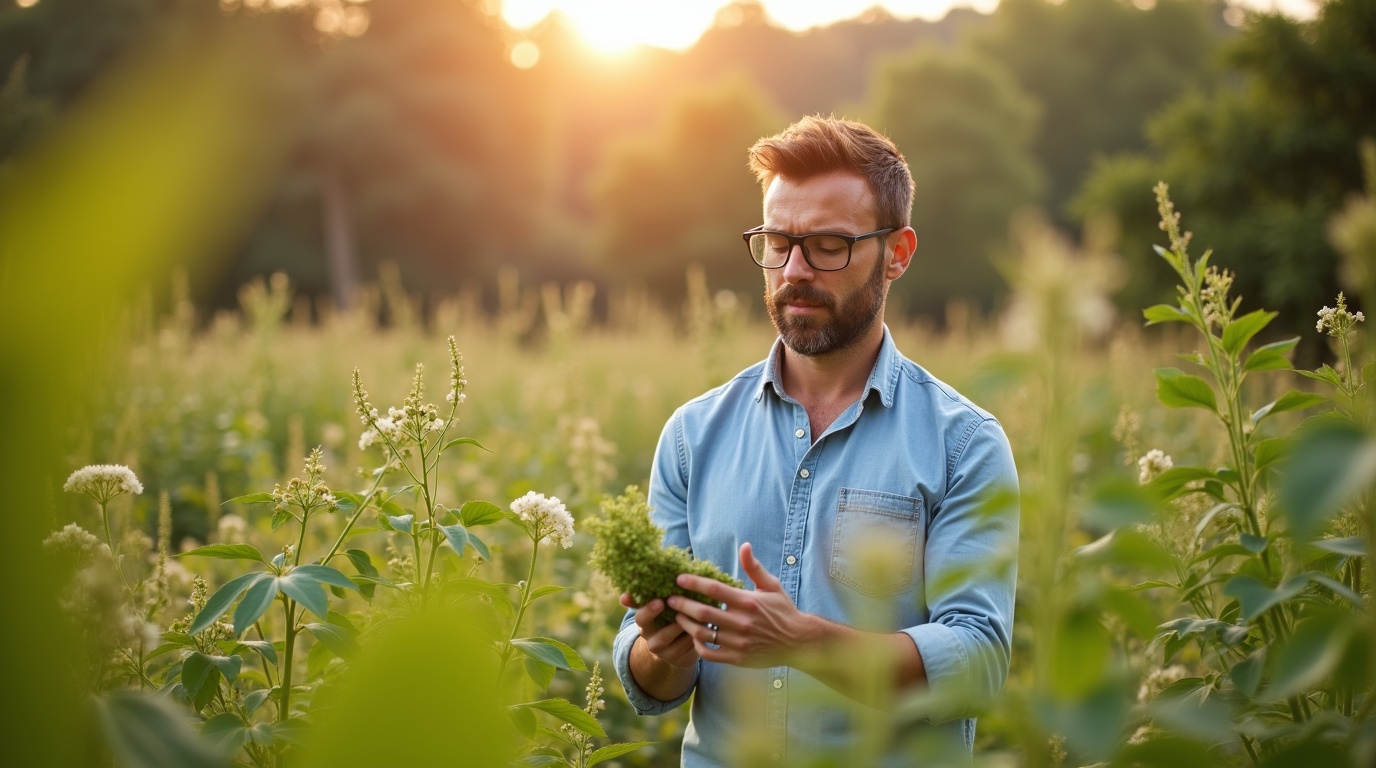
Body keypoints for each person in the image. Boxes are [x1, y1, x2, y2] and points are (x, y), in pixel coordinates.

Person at [611, 115, 1019, 767]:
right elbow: (651, 684)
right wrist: (664, 646)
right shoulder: (693, 434)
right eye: (777, 241)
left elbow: (979, 663)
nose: (794, 269)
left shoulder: (963, 443)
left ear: (898, 252)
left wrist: (802, 642)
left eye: (828, 244)